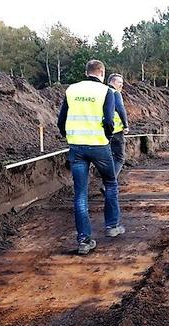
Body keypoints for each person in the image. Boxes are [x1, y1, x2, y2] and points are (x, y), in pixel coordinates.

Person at [57, 59, 125, 255]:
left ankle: (84, 240)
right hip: (99, 145)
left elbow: (61, 120)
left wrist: (68, 136)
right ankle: (112, 226)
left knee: (80, 194)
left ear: (86, 72)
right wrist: (107, 136)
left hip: (77, 147)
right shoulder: (107, 91)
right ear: (102, 73)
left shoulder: (72, 90)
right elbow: (109, 121)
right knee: (110, 183)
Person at [99, 73, 129, 195]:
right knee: (119, 158)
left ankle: (106, 182)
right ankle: (108, 183)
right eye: (119, 83)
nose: (121, 86)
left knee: (108, 158)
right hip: (115, 131)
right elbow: (120, 109)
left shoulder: (101, 92)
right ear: (112, 81)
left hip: (101, 131)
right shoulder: (115, 93)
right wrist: (126, 125)